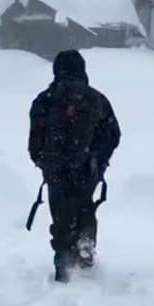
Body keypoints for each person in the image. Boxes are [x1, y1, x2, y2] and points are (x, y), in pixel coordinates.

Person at [28, 49, 120, 282]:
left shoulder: (44, 100)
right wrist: (98, 161)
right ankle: (85, 250)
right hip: (87, 170)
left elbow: (34, 142)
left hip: (56, 170)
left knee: (60, 214)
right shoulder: (96, 99)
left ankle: (64, 262)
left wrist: (44, 162)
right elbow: (113, 134)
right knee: (85, 208)